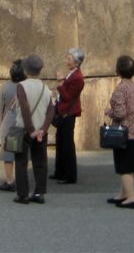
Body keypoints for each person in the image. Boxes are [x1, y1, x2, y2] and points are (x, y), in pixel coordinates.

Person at [12, 54, 54, 205]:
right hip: (41, 131)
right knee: (40, 162)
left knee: (21, 162)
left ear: (25, 70)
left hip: (24, 129)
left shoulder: (21, 86)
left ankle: (22, 194)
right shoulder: (46, 88)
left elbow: (24, 108)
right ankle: (39, 192)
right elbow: (50, 110)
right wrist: (43, 128)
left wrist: (31, 129)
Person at [105, 55, 134, 209]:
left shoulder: (121, 88)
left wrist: (109, 111)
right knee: (129, 164)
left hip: (124, 132)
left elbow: (120, 113)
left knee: (124, 166)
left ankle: (131, 197)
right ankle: (123, 194)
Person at [51, 47, 85, 185]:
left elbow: (68, 96)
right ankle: (59, 171)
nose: (67, 60)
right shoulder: (71, 74)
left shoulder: (78, 78)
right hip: (63, 111)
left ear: (76, 63)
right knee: (60, 143)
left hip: (68, 114)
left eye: (69, 59)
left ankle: (70, 174)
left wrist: (60, 83)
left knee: (67, 145)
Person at [0, 58, 25, 191]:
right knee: (21, 154)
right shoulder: (26, 86)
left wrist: (0, 124)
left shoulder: (6, 87)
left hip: (10, 122)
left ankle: (9, 180)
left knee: (9, 154)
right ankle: (22, 179)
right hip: (24, 122)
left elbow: (0, 108)